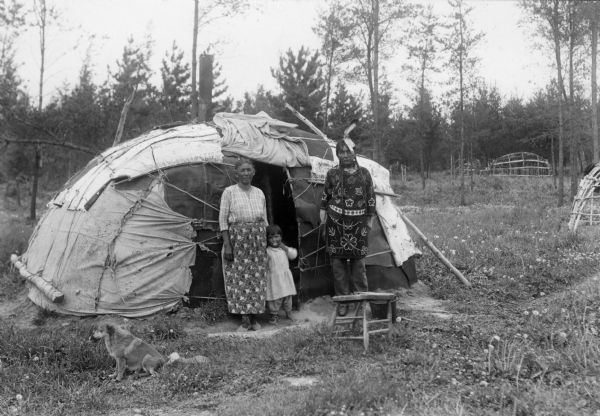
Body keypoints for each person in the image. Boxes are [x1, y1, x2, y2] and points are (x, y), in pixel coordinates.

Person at [319, 139, 376, 316]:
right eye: (341, 152)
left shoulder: (365, 174)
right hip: (335, 223)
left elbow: (371, 199)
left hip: (358, 223)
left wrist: (369, 221)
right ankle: (343, 301)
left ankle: (362, 300)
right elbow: (325, 198)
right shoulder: (332, 173)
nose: (344, 155)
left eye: (348, 151)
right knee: (338, 265)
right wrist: (322, 221)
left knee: (359, 264)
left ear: (354, 152)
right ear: (337, 154)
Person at [219, 158, 269, 331]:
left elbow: (265, 220)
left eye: (249, 170)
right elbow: (222, 220)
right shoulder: (229, 192)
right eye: (243, 170)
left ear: (253, 172)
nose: (246, 173)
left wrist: (266, 243)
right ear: (236, 173)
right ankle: (245, 319)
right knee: (239, 279)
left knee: (257, 278)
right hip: (237, 239)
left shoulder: (259, 193)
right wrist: (227, 244)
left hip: (258, 239)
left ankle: (255, 318)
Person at [265, 224, 298, 325]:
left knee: (288, 298)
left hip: (285, 278)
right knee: (276, 298)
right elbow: (264, 264)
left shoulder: (284, 249)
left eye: (276, 236)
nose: (274, 239)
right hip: (274, 279)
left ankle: (289, 313)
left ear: (281, 237)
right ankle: (274, 316)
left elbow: (294, 255)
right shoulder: (267, 251)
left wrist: (285, 248)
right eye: (271, 237)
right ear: (267, 239)